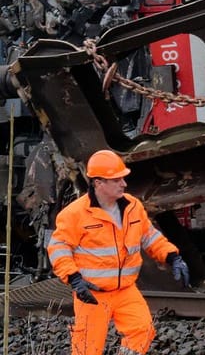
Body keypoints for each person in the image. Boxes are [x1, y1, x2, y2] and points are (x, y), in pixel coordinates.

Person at [46, 149, 190, 355]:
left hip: (125, 290)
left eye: (123, 178)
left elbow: (149, 236)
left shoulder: (133, 207)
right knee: (87, 349)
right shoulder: (74, 214)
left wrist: (172, 256)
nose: (123, 184)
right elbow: (58, 247)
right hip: (93, 294)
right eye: (116, 180)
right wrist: (74, 278)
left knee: (142, 330)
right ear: (98, 183)